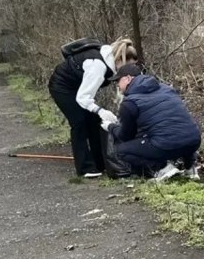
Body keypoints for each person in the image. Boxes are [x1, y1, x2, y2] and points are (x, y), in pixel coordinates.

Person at [48, 37, 137, 178]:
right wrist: (100, 110)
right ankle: (85, 168)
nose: (127, 72)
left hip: (78, 87)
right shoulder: (98, 66)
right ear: (119, 60)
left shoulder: (110, 59)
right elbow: (83, 98)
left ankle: (100, 163)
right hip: (62, 87)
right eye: (127, 67)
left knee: (94, 122)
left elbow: (119, 90)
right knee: (79, 122)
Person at [104, 63, 202, 181]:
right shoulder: (167, 89)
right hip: (194, 140)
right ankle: (190, 167)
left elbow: (125, 136)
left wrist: (110, 127)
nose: (118, 86)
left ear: (128, 78)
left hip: (166, 145)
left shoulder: (130, 103)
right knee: (180, 130)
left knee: (121, 151)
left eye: (118, 81)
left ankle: (162, 169)